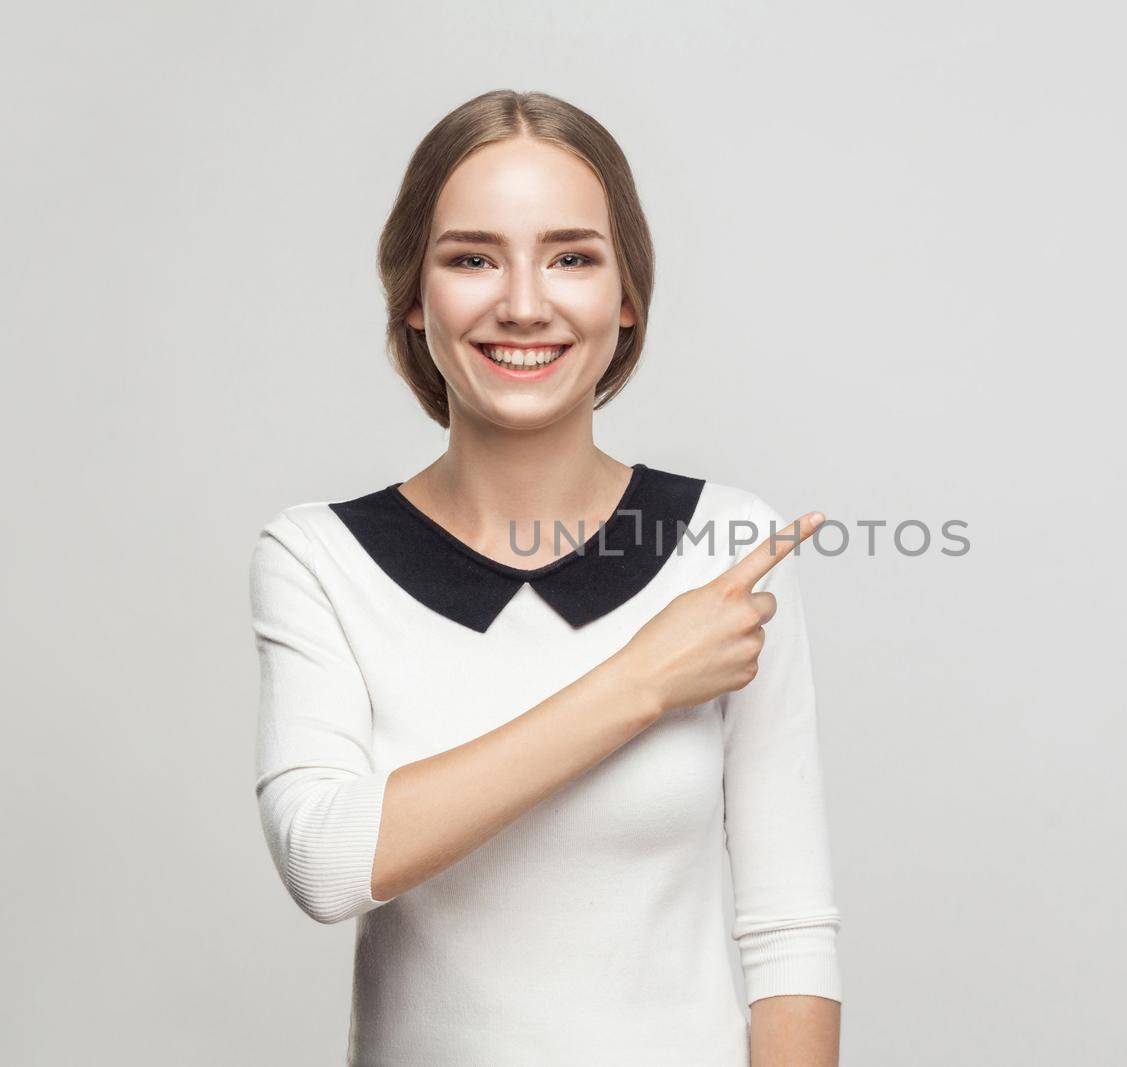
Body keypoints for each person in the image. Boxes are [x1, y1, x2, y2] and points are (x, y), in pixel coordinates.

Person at [247, 89, 843, 1065]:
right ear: (413, 294)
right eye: (472, 257)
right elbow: (326, 860)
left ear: (626, 298)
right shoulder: (320, 557)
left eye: (571, 256)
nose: (523, 302)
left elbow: (789, 933)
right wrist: (637, 681)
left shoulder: (726, 543)